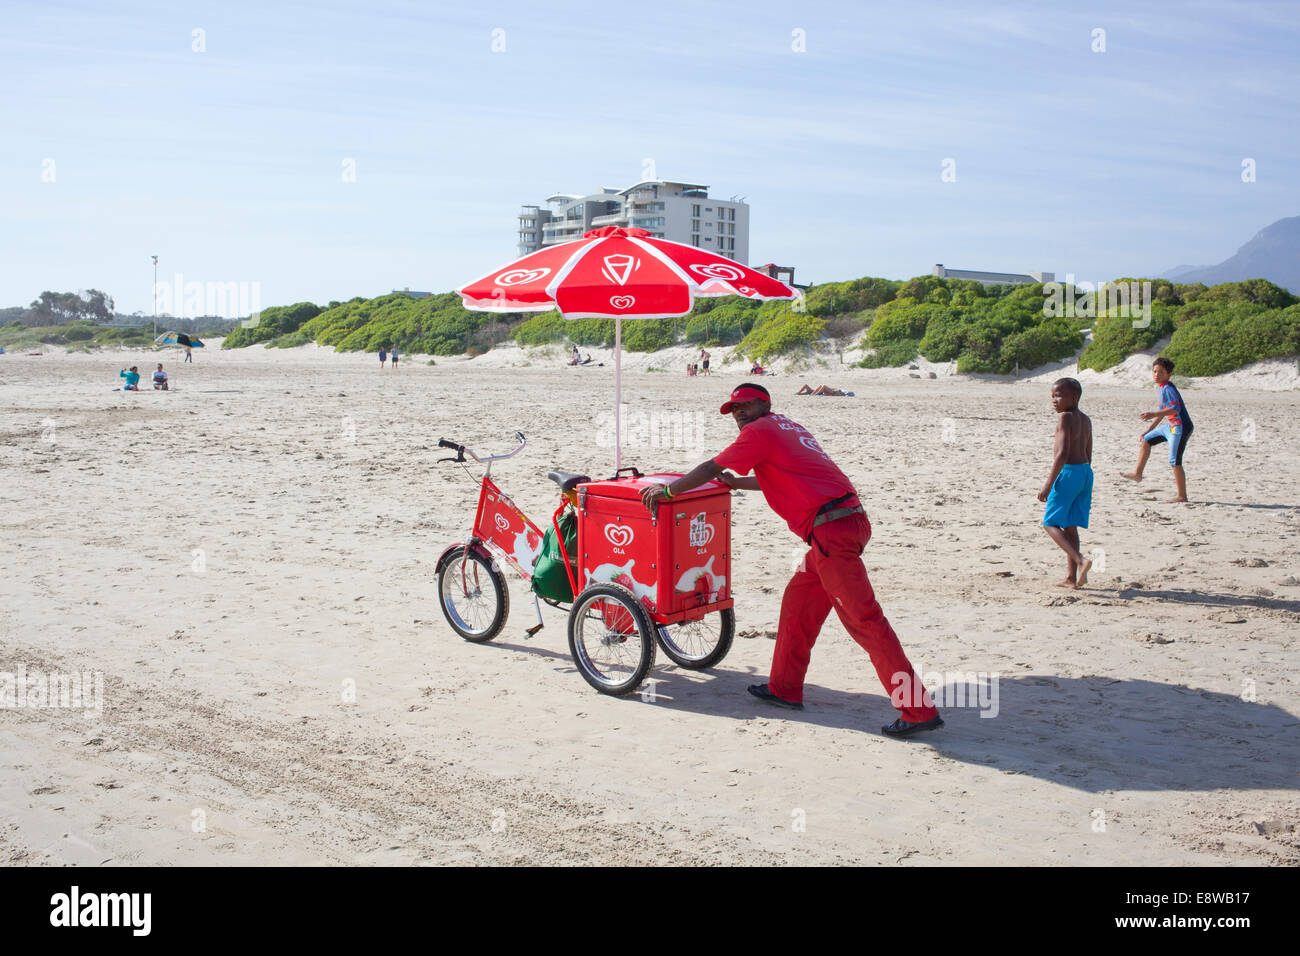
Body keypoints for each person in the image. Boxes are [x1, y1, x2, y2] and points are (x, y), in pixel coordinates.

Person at [639, 383, 943, 737]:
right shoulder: (787, 426)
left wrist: (668, 491)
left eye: (745, 405)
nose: (738, 413)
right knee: (798, 603)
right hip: (843, 524)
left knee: (867, 622)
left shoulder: (759, 431)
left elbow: (709, 467)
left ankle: (918, 710)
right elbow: (785, 474)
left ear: (764, 404)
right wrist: (738, 485)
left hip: (832, 532)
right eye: (733, 409)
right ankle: (784, 688)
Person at [1038, 378, 1093, 588]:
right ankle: (1071, 578)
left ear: (1074, 397)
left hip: (1069, 472)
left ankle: (1081, 561)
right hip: (1085, 473)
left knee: (1049, 523)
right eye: (1052, 396)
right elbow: (1089, 452)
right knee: (1070, 526)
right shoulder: (1086, 420)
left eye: (1059, 396)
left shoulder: (1064, 418)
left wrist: (1048, 484)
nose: (1054, 401)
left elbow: (1061, 455)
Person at [1121, 357, 1193, 502]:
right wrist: (1148, 429)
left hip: (1181, 427)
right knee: (1146, 440)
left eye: (1161, 372)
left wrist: (1153, 413)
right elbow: (1162, 413)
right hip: (1171, 427)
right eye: (1154, 371)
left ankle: (1182, 496)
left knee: (1175, 461)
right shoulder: (1161, 388)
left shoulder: (1169, 388)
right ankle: (1137, 474)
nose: (1156, 375)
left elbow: (1175, 409)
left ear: (1169, 374)